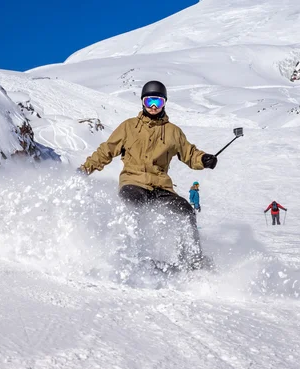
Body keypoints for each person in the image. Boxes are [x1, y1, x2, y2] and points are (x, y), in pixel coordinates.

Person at [78, 80, 218, 267]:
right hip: (133, 181)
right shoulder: (129, 127)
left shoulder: (173, 132)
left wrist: (204, 159)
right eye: (149, 101)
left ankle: (191, 259)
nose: (153, 107)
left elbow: (189, 154)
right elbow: (107, 150)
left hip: (161, 186)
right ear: (142, 102)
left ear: (164, 103)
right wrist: (86, 169)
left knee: (185, 211)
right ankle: (130, 254)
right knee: (134, 206)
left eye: (158, 102)